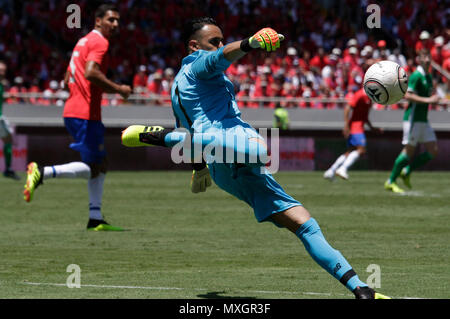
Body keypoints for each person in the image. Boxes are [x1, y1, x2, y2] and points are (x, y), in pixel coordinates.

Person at [121, 17, 390, 299]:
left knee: (305, 223)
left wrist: (199, 166)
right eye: (214, 40)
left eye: (222, 39)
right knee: (260, 148)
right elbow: (219, 58)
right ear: (193, 46)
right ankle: (159, 136)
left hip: (225, 167)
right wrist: (251, 42)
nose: (220, 45)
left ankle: (360, 289)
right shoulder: (197, 65)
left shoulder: (182, 88)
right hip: (234, 144)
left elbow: (190, 124)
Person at [23, 4, 131, 231]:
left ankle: (95, 217)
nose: (115, 25)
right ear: (98, 21)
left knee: (101, 164)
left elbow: (66, 79)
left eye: (118, 20)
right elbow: (91, 72)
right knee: (94, 166)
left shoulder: (81, 42)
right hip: (85, 114)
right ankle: (42, 173)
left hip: (76, 111)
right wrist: (119, 89)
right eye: (111, 20)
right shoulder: (100, 42)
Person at [385, 49, 447, 193]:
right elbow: (408, 96)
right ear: (419, 59)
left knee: (433, 151)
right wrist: (428, 100)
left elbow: (430, 98)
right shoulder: (416, 76)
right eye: (424, 57)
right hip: (412, 119)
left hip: (423, 120)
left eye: (429, 57)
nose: (427, 59)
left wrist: (437, 101)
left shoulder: (429, 77)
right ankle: (390, 181)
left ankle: (406, 171)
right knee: (408, 152)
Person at [324, 85, 382, 181]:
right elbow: (347, 108)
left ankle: (331, 171)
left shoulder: (369, 97)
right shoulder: (360, 94)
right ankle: (343, 169)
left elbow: (364, 117)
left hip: (357, 126)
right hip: (356, 127)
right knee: (361, 150)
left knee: (350, 152)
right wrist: (346, 125)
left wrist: (372, 128)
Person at [0, 61, 20, 180]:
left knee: (8, 140)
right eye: (1, 70)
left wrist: (7, 97)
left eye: (4, 70)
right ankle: (8, 169)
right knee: (8, 140)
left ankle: (8, 169)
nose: (3, 72)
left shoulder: (2, 84)